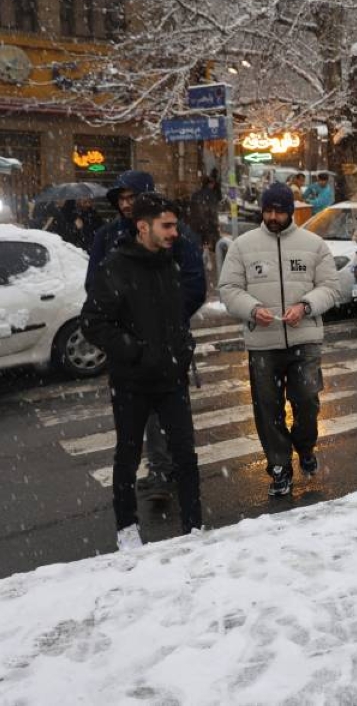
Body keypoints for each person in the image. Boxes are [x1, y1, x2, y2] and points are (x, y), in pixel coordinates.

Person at [81, 194, 203, 550]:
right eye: (166, 226)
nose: (174, 233)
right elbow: (93, 322)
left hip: (171, 379)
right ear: (142, 226)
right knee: (128, 455)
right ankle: (126, 527)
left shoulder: (169, 263)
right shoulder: (116, 266)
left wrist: (183, 346)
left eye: (175, 226)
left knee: (185, 454)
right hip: (132, 381)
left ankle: (194, 526)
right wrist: (134, 350)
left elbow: (176, 313)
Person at [218, 184, 341, 496]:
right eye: (268, 210)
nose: (273, 217)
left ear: (290, 211)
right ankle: (279, 467)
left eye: (279, 211)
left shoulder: (313, 245)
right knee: (267, 408)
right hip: (263, 343)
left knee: (307, 402)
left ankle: (306, 446)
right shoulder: (242, 246)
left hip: (305, 339)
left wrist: (306, 306)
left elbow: (330, 286)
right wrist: (252, 309)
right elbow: (229, 289)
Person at [189, 172, 222, 273]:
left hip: (196, 225)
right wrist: (214, 224)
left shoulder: (196, 195)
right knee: (212, 246)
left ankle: (203, 262)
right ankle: (211, 265)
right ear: (210, 184)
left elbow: (192, 210)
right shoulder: (211, 195)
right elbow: (212, 211)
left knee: (200, 245)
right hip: (208, 225)